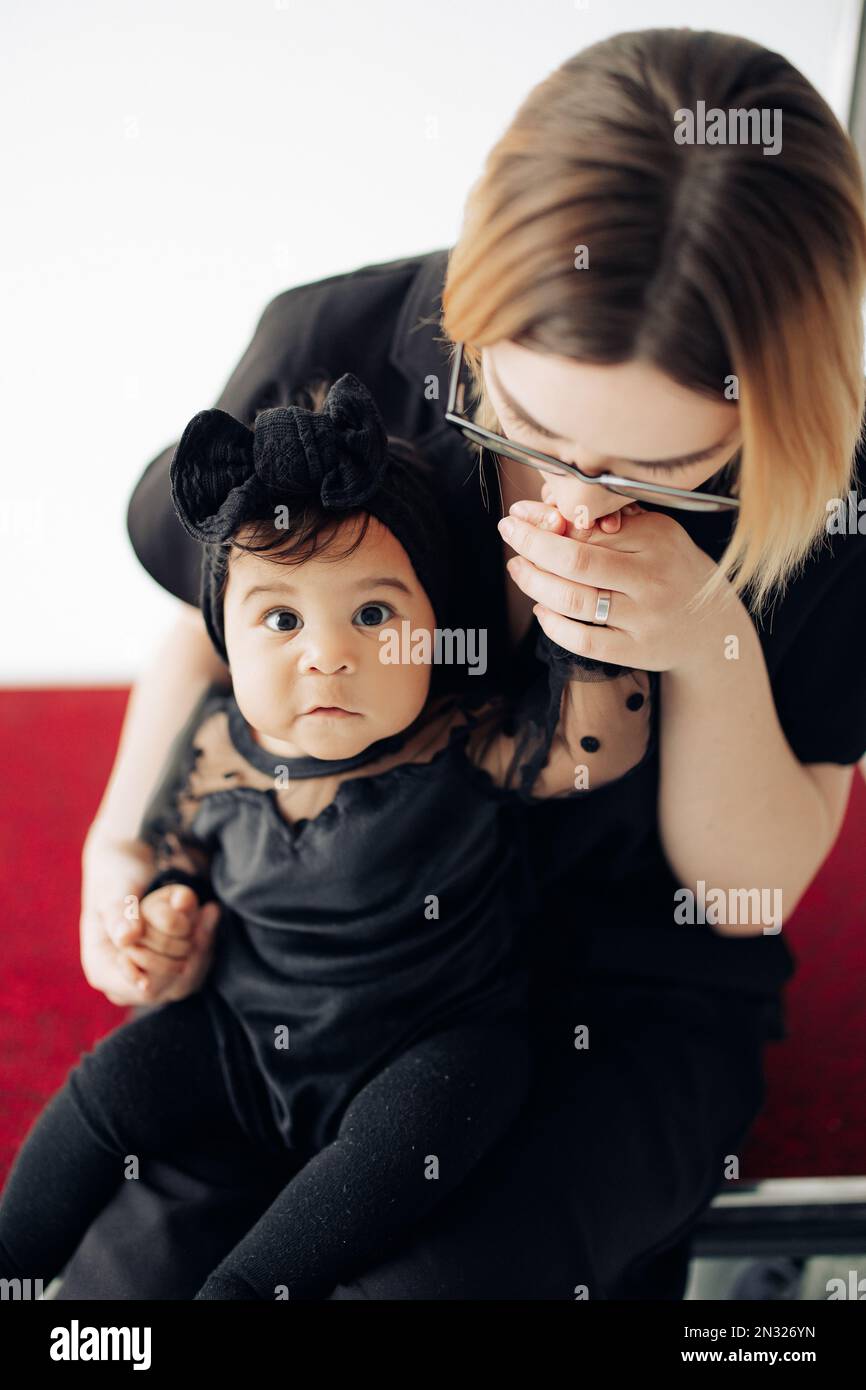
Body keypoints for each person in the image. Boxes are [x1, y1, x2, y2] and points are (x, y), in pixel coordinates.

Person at [64, 28, 866, 1300]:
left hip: (628, 995)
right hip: (316, 938)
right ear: (472, 307)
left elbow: (744, 898)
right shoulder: (339, 341)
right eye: (529, 427)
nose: (571, 502)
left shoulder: (829, 492)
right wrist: (126, 847)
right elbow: (214, 629)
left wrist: (705, 643)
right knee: (125, 1276)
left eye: (656, 473)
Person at [1, 376, 654, 1300]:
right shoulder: (218, 750)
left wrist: (582, 609)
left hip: (425, 1039)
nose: (329, 653)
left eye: (376, 615)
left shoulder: (462, 742)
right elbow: (173, 856)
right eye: (280, 618)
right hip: (245, 1033)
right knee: (117, 1082)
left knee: (435, 1122)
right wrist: (160, 916)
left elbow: (596, 747)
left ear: (437, 630)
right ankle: (15, 1265)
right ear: (223, 637)